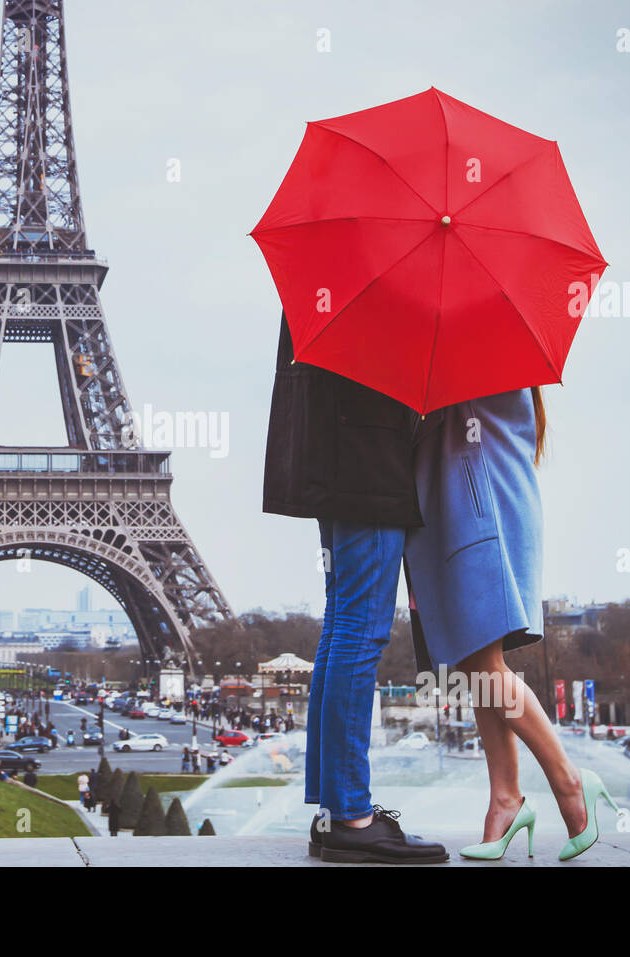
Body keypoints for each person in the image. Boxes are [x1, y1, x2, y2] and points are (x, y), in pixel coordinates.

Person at [262, 313, 448, 864]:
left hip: (338, 455)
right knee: (360, 631)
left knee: (343, 626)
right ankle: (350, 814)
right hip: (367, 460)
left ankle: (335, 810)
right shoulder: (384, 278)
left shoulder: (334, 266)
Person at [406, 388, 618, 862]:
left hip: (475, 517)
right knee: (473, 661)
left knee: (480, 665)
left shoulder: (473, 360)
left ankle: (569, 780)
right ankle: (505, 798)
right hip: (475, 512)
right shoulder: (494, 360)